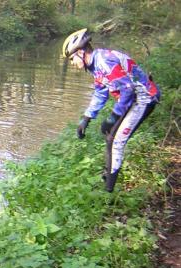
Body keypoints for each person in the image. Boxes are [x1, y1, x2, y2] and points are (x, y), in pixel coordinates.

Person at [62, 28, 160, 192]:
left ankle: (108, 192)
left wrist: (113, 117)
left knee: (116, 141)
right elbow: (100, 93)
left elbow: (128, 89)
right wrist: (86, 119)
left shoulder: (104, 61)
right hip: (132, 99)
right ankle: (108, 178)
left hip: (143, 98)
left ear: (80, 52)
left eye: (72, 59)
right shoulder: (95, 65)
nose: (72, 63)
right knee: (110, 137)